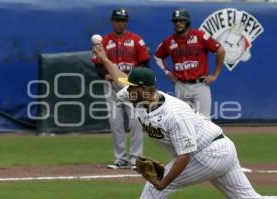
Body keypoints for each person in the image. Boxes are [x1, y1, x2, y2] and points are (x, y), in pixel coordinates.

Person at [92, 45, 277, 199]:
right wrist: (105, 58)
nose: (128, 90)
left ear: (144, 89)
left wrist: (162, 183)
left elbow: (185, 156)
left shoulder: (174, 114)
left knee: (152, 190)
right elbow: (120, 80)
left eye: (133, 87)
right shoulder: (137, 95)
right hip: (219, 149)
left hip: (208, 153)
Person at [92, 8, 150, 169]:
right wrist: (105, 75)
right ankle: (120, 158)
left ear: (126, 22)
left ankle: (136, 158)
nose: (120, 23)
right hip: (111, 88)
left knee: (136, 122)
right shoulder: (104, 42)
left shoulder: (136, 40)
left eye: (122, 20)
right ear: (112, 21)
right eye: (117, 20)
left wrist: (139, 81)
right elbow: (97, 65)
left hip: (131, 87)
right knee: (115, 122)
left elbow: (145, 63)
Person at [154, 9, 225, 118]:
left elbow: (220, 50)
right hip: (181, 85)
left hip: (200, 85)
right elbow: (157, 56)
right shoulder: (168, 41)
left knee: (204, 122)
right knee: (183, 122)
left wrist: (215, 75)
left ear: (187, 22)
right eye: (175, 21)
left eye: (181, 21)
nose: (178, 23)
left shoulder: (200, 36)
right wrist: (167, 72)